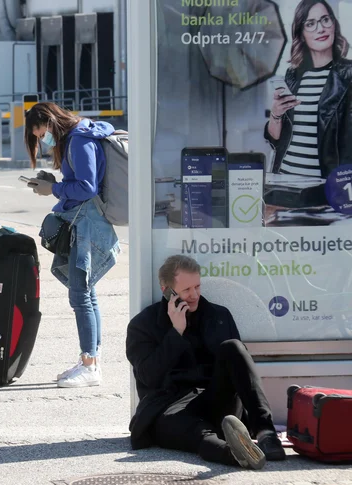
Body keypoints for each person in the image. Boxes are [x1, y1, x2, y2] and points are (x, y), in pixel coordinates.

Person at [126, 255, 286, 469]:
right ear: (166, 290)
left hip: (216, 399)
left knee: (234, 347)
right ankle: (235, 453)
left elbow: (236, 370)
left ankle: (266, 433)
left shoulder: (218, 315)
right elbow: (148, 377)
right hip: (171, 406)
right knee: (188, 431)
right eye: (186, 290)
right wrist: (176, 332)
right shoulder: (142, 325)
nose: (194, 295)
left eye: (197, 287)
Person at [24, 102, 120, 388]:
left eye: (42, 134)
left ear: (51, 121)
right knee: (86, 293)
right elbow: (80, 182)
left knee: (80, 295)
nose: (42, 140)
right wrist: (53, 182)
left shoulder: (78, 139)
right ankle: (91, 359)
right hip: (87, 222)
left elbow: (88, 187)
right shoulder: (78, 137)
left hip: (88, 225)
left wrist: (53, 189)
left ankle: (90, 365)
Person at [265, 0, 352, 178]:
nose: (320, 28)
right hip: (284, 178)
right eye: (310, 24)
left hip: (325, 189)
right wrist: (276, 114)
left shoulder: (348, 74)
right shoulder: (292, 76)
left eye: (325, 20)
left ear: (334, 24)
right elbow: (276, 140)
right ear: (301, 33)